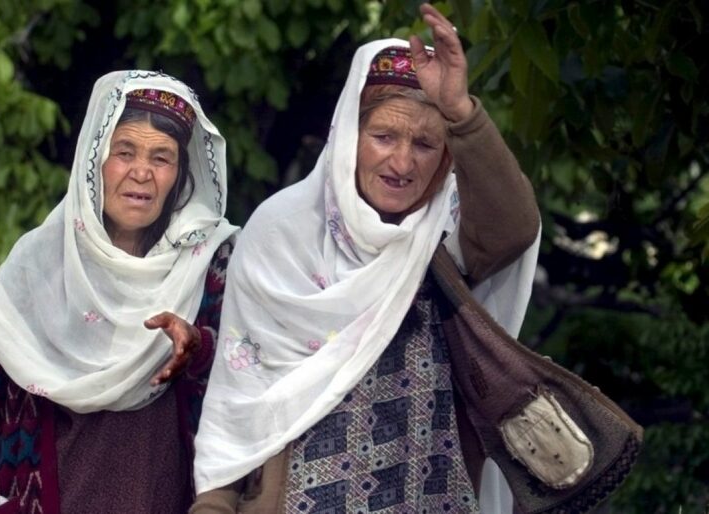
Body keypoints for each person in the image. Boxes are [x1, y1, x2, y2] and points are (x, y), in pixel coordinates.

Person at [189, 4, 543, 513]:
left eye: (425, 144)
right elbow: (242, 392)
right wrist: (216, 505)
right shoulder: (282, 230)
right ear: (349, 138)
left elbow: (516, 228)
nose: (402, 163)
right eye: (384, 137)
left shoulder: (448, 229)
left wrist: (462, 113)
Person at [0, 71, 238, 513]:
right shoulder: (39, 264)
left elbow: (252, 377)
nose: (141, 172)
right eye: (124, 152)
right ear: (94, 159)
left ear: (180, 173)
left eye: (162, 158)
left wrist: (198, 348)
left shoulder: (211, 263)